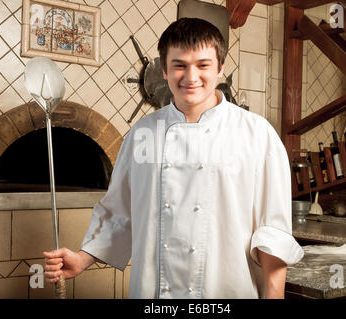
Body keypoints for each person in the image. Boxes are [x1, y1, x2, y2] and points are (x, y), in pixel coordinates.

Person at [43, 17, 304, 299]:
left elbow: (272, 234)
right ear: (164, 71)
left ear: (221, 69)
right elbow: (119, 211)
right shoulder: (141, 134)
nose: (191, 77)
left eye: (203, 65)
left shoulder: (257, 134)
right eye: (179, 65)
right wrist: (82, 259)